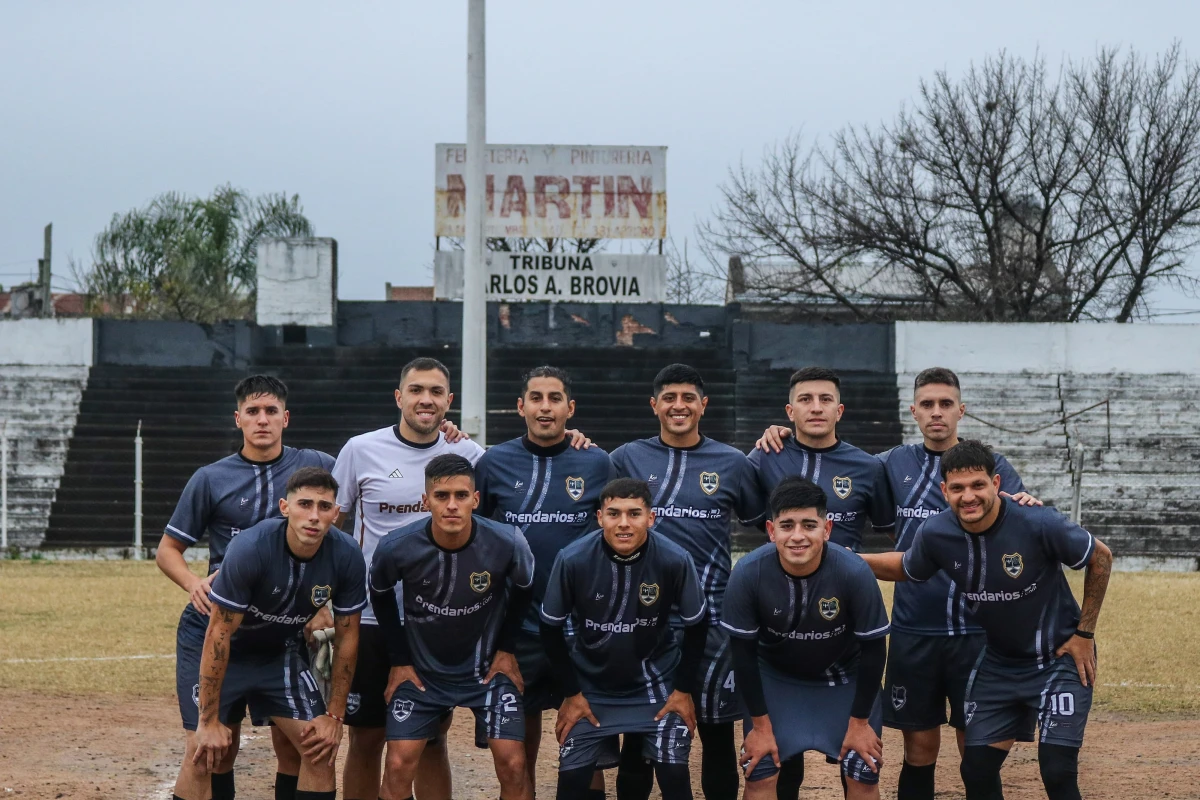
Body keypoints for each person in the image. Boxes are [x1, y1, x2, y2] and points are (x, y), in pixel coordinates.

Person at [332, 356, 590, 800]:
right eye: (416, 390)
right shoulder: (361, 449)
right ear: (399, 397)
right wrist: (328, 599)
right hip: (378, 618)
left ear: (448, 401)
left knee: (432, 737)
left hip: (449, 620)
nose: (425, 399)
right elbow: (335, 526)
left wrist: (573, 439)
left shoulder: (471, 455)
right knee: (369, 737)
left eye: (435, 392)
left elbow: (511, 494)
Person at [862, 440, 1113, 800]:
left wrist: (1084, 633)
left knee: (1057, 768)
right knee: (976, 769)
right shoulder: (936, 533)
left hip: (1059, 660)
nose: (969, 496)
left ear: (996, 484)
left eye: (978, 485)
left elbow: (1100, 557)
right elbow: (906, 567)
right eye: (958, 488)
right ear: (944, 490)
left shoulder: (1038, 521)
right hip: (999, 663)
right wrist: (849, 559)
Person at [158, 375, 334, 800]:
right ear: (238, 419)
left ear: (285, 418)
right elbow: (167, 549)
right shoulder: (211, 478)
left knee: (304, 746)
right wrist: (193, 582)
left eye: (271, 411)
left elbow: (377, 469)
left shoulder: (316, 465)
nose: (262, 420)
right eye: (253, 412)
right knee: (211, 749)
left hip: (281, 631)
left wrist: (447, 436)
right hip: (220, 627)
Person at [876, 367, 1040, 800]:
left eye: (945, 404)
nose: (936, 413)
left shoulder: (992, 467)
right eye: (927, 404)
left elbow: (1018, 523)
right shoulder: (892, 464)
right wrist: (784, 434)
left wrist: (1026, 506)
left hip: (979, 634)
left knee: (978, 753)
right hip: (915, 631)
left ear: (960, 410)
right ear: (913, 411)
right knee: (919, 749)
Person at [610, 363, 764, 800]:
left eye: (688, 398)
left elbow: (764, 522)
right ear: (654, 404)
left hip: (713, 618)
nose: (679, 406)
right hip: (642, 615)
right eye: (670, 398)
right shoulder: (625, 458)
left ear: (703, 405)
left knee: (716, 734)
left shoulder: (732, 463)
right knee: (638, 736)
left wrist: (777, 437)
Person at [180, 467, 366, 800]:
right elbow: (218, 633)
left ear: (336, 513)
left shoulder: (347, 554)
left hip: (277, 649)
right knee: (204, 751)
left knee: (319, 747)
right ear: (284, 507)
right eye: (304, 504)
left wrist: (334, 716)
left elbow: (348, 636)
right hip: (221, 645)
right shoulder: (251, 547)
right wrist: (207, 721)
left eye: (324, 507)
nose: (313, 516)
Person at [474, 365, 616, 796]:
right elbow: (475, 537)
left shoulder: (596, 461)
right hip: (517, 629)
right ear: (520, 407)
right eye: (536, 398)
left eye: (555, 398)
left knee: (584, 745)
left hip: (581, 627)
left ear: (570, 408)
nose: (545, 407)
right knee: (517, 756)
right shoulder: (494, 462)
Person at [369, 454, 536, 800]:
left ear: (475, 500)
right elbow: (380, 593)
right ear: (425, 499)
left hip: (485, 671)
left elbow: (524, 588)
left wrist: (506, 650)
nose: (451, 506)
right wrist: (400, 660)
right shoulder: (396, 547)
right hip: (423, 674)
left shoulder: (508, 542)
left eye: (461, 496)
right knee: (398, 764)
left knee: (514, 764)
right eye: (442, 496)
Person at [541, 478, 709, 800]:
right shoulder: (573, 559)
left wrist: (683, 691)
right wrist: (572, 694)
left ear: (651, 518)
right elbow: (550, 628)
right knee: (571, 783)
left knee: (675, 776)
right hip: (591, 690)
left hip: (656, 686)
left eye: (634, 514)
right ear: (599, 517)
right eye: (614, 513)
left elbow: (697, 625)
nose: (623, 524)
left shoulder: (674, 558)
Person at [724, 477, 889, 800]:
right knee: (758, 774)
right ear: (772, 531)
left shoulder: (854, 572)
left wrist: (859, 723)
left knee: (864, 774)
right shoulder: (748, 573)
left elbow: (873, 650)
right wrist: (759, 727)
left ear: (826, 529)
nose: (797, 536)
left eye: (808, 525)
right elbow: (742, 654)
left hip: (843, 679)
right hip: (776, 680)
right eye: (787, 526)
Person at [750, 366, 895, 552]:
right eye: (805, 399)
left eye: (825, 399)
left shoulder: (869, 467)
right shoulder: (766, 455)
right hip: (780, 579)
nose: (816, 408)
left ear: (839, 411)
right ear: (790, 411)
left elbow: (897, 533)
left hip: (843, 579)